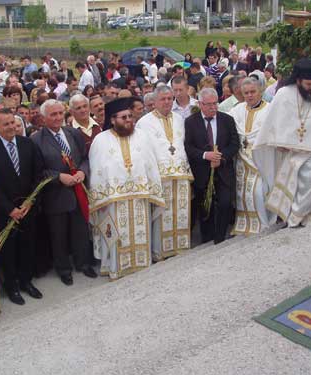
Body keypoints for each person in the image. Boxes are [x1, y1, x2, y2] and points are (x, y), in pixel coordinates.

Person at [252, 58, 311, 227]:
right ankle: (293, 221)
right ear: (298, 81)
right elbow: (272, 123)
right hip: (289, 152)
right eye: (308, 84)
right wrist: (277, 140)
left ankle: (306, 218)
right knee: (292, 190)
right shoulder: (284, 94)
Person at [89, 98, 164, 280]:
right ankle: (117, 268)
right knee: (117, 235)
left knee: (141, 230)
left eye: (130, 116)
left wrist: (154, 189)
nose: (129, 120)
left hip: (140, 196)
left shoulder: (142, 136)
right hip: (114, 200)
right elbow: (97, 171)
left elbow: (151, 164)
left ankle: (141, 263)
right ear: (113, 120)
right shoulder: (101, 140)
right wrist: (102, 200)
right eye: (123, 117)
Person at [30, 100, 96, 284]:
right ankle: (64, 269)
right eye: (53, 114)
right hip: (56, 195)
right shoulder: (36, 140)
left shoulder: (73, 133)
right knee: (58, 235)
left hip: (78, 191)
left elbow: (84, 157)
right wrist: (59, 177)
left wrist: (83, 171)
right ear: (44, 118)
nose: (58, 117)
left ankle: (83, 263)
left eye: (60, 113)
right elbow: (38, 171)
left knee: (80, 230)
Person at [0, 108, 43, 305]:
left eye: (13, 122)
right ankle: (11, 286)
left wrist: (31, 200)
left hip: (28, 207)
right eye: (6, 124)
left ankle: (26, 281)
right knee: (9, 251)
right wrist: (9, 209)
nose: (11, 127)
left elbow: (38, 173)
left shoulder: (27, 143)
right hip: (6, 212)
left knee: (28, 246)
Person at [136, 86, 194, 261]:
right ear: (154, 101)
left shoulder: (178, 119)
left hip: (180, 173)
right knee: (161, 213)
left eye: (170, 98)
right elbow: (143, 151)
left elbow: (182, 143)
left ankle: (179, 246)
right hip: (159, 176)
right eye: (163, 99)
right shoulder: (144, 123)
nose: (167, 102)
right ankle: (159, 251)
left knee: (181, 210)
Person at [184, 88, 240, 244]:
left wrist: (221, 158)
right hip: (202, 172)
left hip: (223, 171)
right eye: (209, 104)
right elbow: (188, 147)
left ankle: (220, 238)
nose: (213, 107)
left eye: (215, 103)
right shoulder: (191, 122)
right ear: (200, 104)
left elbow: (234, 144)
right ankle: (207, 240)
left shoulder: (227, 120)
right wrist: (205, 155)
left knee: (225, 203)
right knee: (205, 209)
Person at [229, 77, 273, 235]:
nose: (249, 95)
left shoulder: (270, 110)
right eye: (246, 93)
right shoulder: (236, 110)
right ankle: (244, 225)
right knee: (241, 194)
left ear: (260, 91)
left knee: (259, 193)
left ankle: (263, 224)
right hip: (241, 162)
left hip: (262, 161)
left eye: (252, 92)